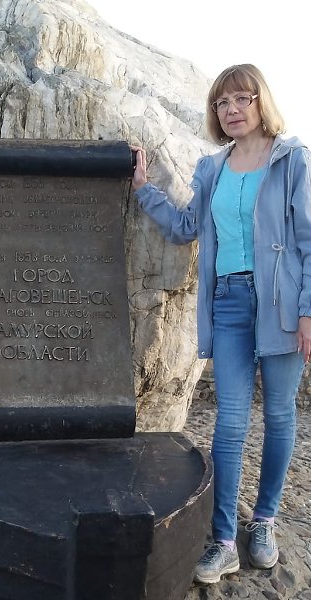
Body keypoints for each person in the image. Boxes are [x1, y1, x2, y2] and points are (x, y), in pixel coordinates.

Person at [131, 63, 311, 585]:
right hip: (229, 304)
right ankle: (225, 539)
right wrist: (143, 188)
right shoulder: (212, 168)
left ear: (261, 101)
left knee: (279, 415)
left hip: (280, 305)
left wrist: (307, 311)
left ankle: (266, 521)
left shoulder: (291, 159)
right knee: (230, 423)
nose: (231, 110)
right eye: (222, 103)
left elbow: (307, 241)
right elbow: (186, 227)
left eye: (241, 99)